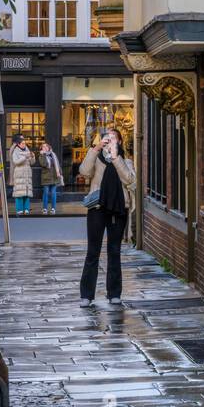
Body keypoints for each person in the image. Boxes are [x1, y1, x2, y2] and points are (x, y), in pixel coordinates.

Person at [79, 128, 135, 308]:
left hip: (118, 209)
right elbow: (84, 171)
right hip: (97, 208)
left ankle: (114, 294)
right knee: (93, 251)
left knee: (114, 251)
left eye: (113, 138)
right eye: (106, 138)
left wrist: (116, 157)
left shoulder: (125, 160)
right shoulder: (96, 158)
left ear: (119, 142)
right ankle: (87, 295)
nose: (109, 141)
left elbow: (129, 179)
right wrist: (95, 150)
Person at [9, 133, 35, 217]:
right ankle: (19, 210)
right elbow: (16, 162)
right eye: (23, 143)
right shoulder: (15, 151)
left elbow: (32, 163)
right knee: (19, 193)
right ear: (19, 144)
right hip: (19, 173)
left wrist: (32, 157)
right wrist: (25, 157)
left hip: (27, 173)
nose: (24, 145)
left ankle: (26, 209)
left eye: (25, 143)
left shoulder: (27, 150)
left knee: (27, 192)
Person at [39, 140, 63, 216]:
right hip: (46, 177)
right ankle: (45, 208)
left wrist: (59, 173)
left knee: (53, 193)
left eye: (46, 146)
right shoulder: (41, 156)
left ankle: (53, 208)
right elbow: (44, 164)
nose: (45, 147)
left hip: (55, 176)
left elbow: (58, 165)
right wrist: (43, 155)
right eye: (43, 146)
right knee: (45, 193)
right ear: (41, 148)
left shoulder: (53, 155)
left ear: (49, 147)